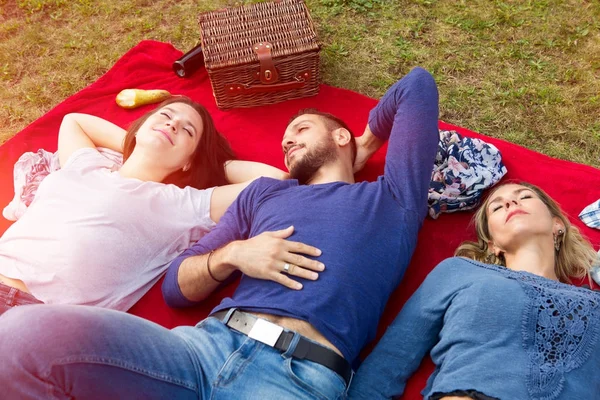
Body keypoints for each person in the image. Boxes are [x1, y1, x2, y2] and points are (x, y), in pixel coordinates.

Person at [0, 67, 439, 399]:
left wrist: (367, 140)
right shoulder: (265, 195)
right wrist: (233, 256)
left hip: (297, 377)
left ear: (339, 135)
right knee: (23, 335)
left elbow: (417, 85)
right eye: (285, 139)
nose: (287, 142)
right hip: (202, 348)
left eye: (300, 130)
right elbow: (176, 286)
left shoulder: (394, 198)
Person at [0, 96, 286, 314]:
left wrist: (212, 166)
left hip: (35, 314)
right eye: (165, 116)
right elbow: (74, 120)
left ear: (189, 161)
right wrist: (136, 143)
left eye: (188, 131)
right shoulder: (88, 164)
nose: (173, 124)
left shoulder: (181, 206)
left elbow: (274, 180)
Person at [348, 182, 600, 400]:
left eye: (525, 196)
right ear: (493, 245)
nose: (511, 201)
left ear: (557, 225)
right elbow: (391, 358)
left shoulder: (594, 303)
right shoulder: (460, 272)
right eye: (498, 206)